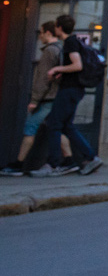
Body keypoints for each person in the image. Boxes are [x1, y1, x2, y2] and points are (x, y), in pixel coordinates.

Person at [20, 15, 102, 177]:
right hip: (74, 89)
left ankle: (53, 164)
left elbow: (77, 65)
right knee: (66, 126)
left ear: (58, 27)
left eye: (56, 26)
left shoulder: (71, 42)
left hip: (69, 90)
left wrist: (57, 70)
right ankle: (91, 157)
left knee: (54, 124)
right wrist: (61, 74)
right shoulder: (74, 42)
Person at [1, 23, 79, 176]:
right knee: (57, 128)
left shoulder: (50, 51)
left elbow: (42, 79)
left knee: (30, 128)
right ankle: (69, 160)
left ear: (48, 33)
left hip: (46, 98)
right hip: (56, 97)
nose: (40, 36)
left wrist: (35, 100)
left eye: (41, 33)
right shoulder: (61, 49)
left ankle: (19, 164)